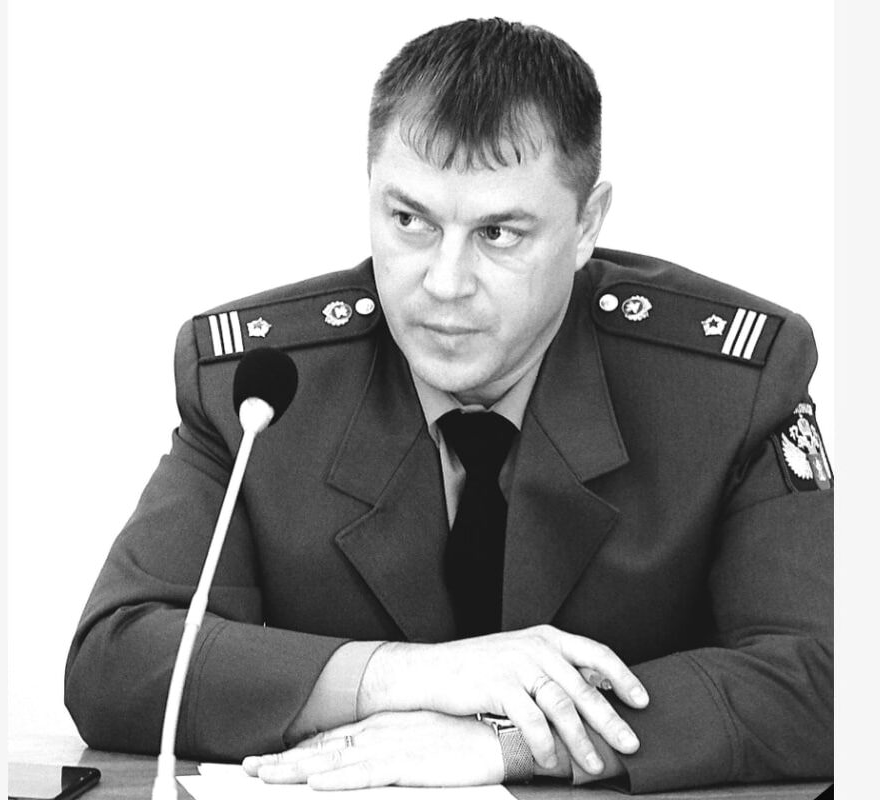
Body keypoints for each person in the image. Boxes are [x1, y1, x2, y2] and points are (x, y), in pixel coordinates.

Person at [64, 17, 833, 794]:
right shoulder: (262, 386)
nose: (443, 282)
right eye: (409, 221)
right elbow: (116, 659)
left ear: (585, 225)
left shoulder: (725, 387)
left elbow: (828, 675)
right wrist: (405, 676)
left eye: (498, 233)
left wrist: (511, 741)